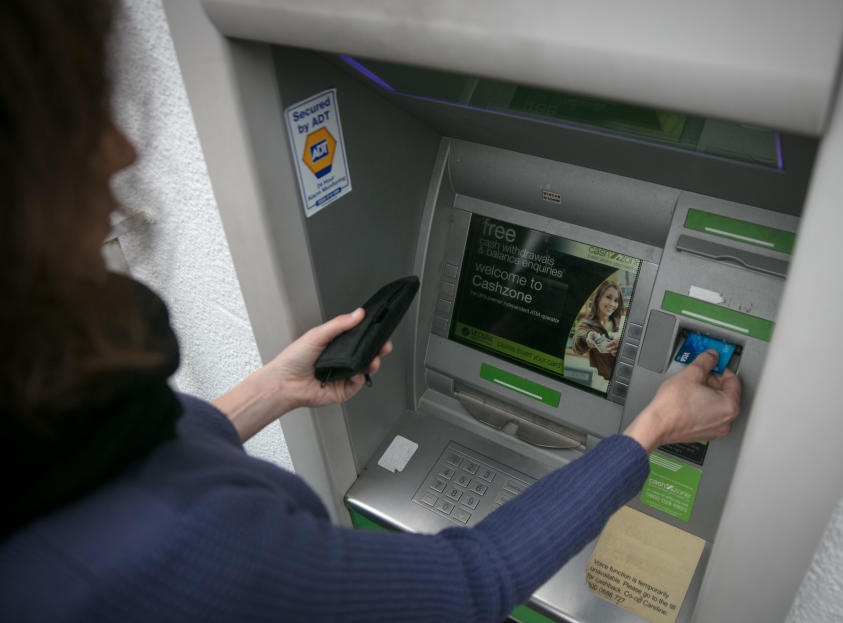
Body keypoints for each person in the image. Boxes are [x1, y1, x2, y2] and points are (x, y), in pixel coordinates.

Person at [0, 2, 741, 621]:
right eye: (78, 116)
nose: (121, 149)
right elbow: (467, 582)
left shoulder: (39, 406)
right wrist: (648, 431)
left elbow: (113, 453)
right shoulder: (177, 555)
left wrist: (272, 389)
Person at [571, 280, 626, 381]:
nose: (612, 304)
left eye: (616, 300)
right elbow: (577, 342)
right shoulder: (586, 325)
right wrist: (587, 336)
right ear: (598, 298)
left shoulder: (621, 323)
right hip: (604, 381)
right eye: (608, 297)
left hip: (624, 377)